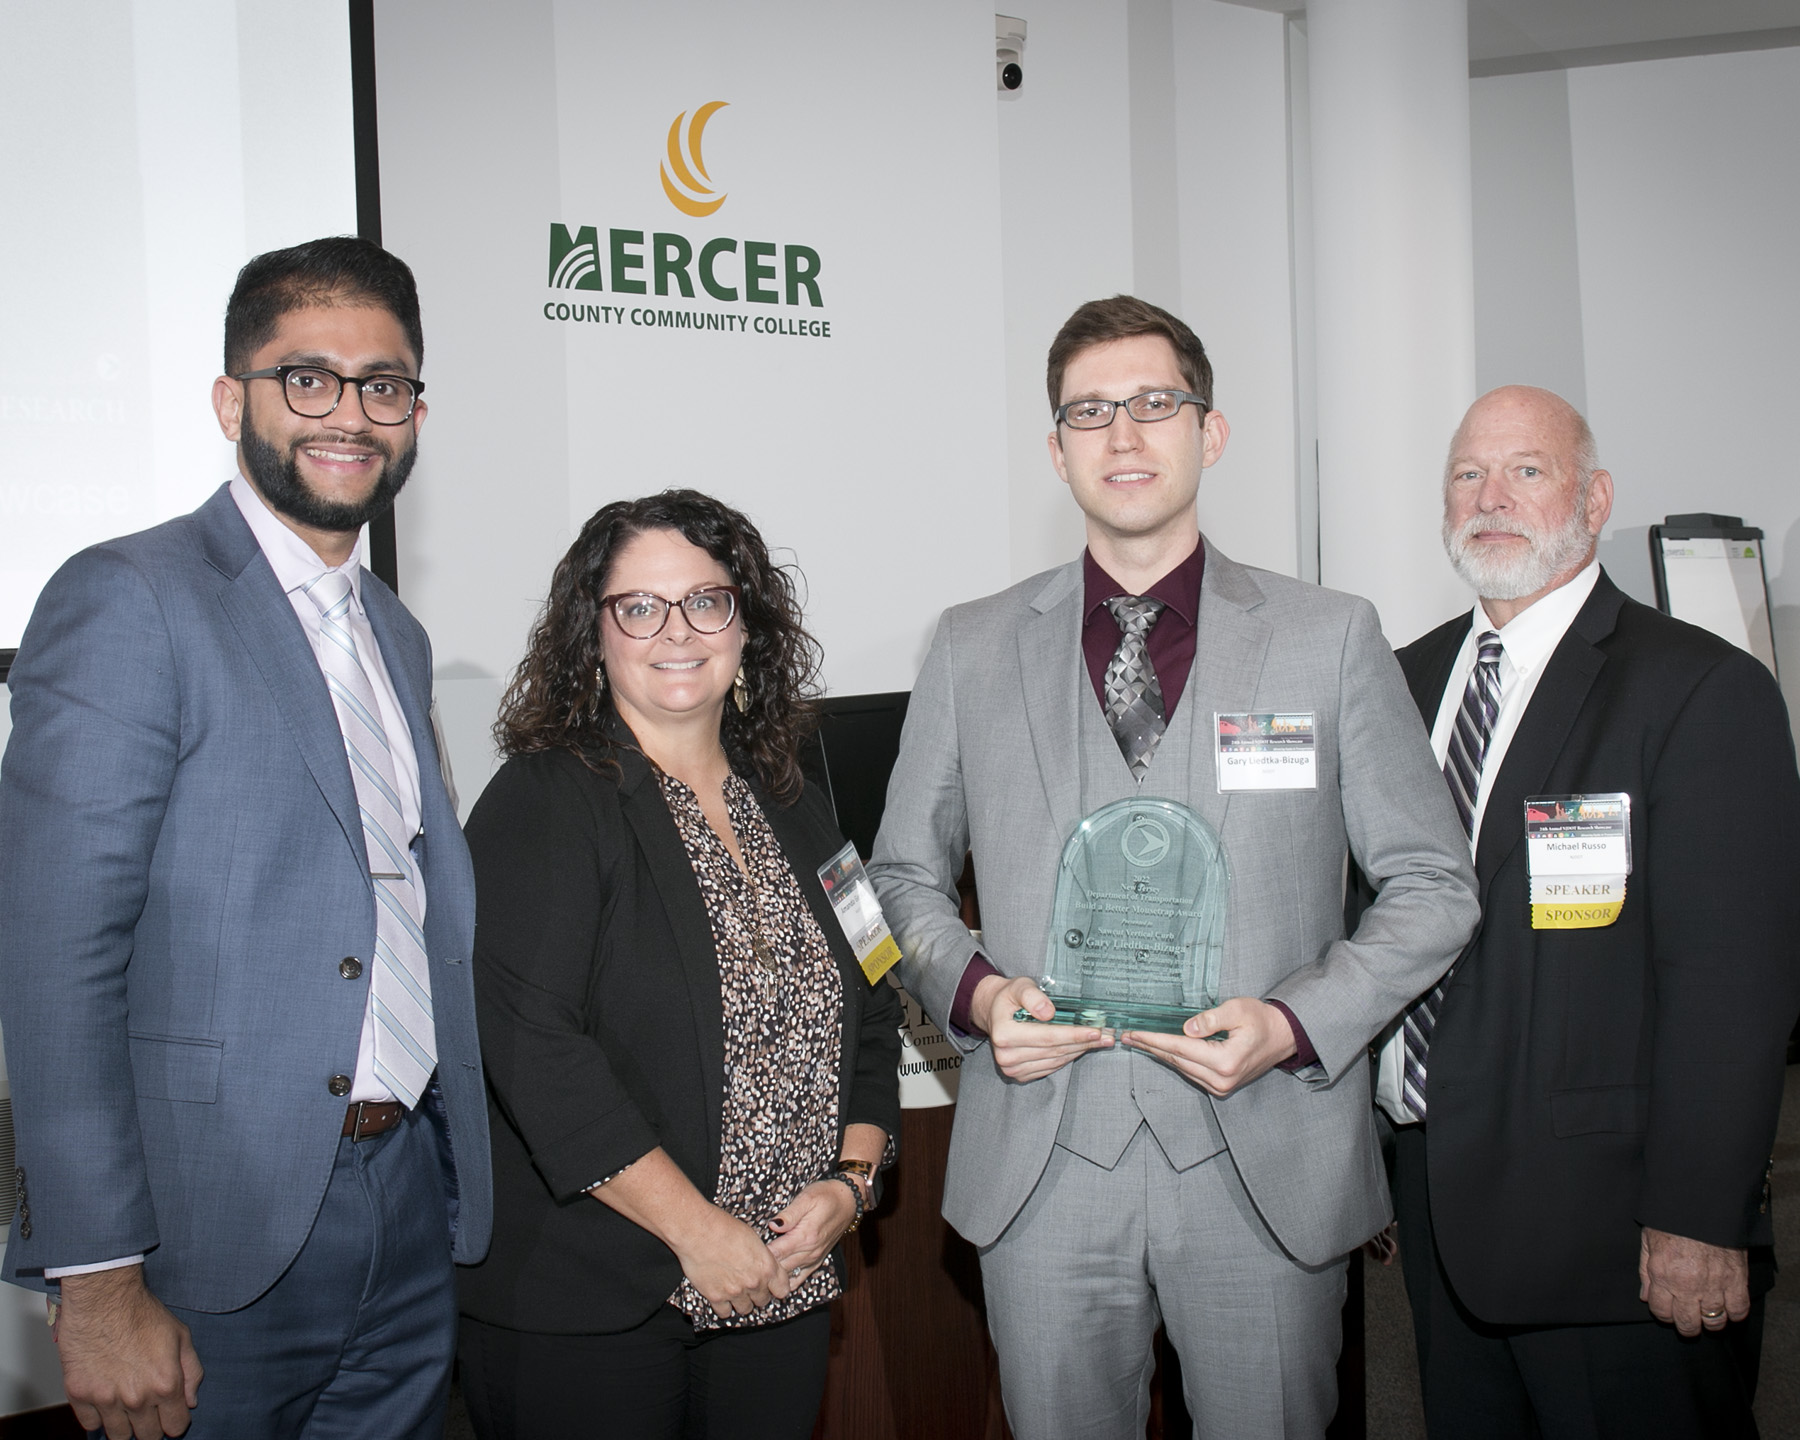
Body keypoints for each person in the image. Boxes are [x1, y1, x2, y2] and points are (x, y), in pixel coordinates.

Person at [867, 294, 1480, 1438]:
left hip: (1263, 1155)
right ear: (1056, 451)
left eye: (1156, 403)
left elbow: (1437, 886)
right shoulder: (969, 646)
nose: (1124, 435)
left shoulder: (1330, 636)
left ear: (1212, 431)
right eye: (1090, 412)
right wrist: (979, 995)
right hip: (1046, 1156)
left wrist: (1295, 1026)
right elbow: (900, 875)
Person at [0, 236, 490, 1440]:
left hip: (408, 1210)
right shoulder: (129, 597)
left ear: (416, 413)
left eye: (384, 385)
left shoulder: (396, 632)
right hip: (208, 1239)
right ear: (234, 400)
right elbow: (57, 958)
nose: (349, 415)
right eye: (306, 378)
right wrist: (101, 1278)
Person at [1374, 385, 1800, 1438]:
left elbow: (1731, 985)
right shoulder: (1397, 683)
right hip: (1430, 1200)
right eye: (1467, 475)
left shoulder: (1700, 689)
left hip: (1613, 1237)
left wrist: (1698, 1220)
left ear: (1596, 497)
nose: (1491, 496)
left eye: (1527, 469)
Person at [456, 489, 901, 1439]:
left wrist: (852, 1186)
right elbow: (532, 1046)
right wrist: (701, 1235)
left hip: (779, 1288)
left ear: (747, 624)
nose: (677, 630)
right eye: (639, 607)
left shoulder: (798, 801)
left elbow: (875, 996)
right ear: (594, 634)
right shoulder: (544, 798)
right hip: (597, 1303)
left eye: (707, 600)